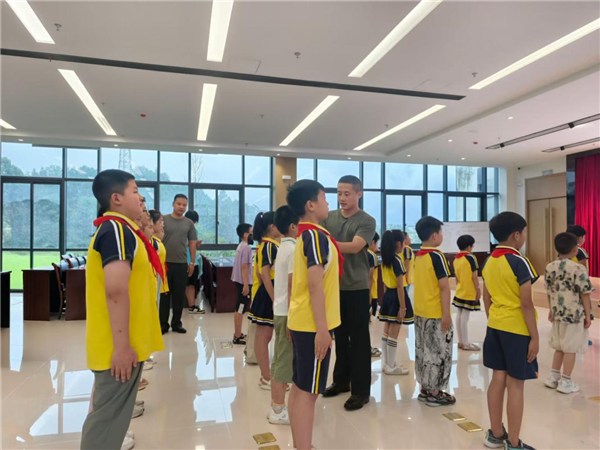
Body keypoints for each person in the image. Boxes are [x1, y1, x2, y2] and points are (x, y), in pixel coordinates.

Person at [81, 170, 164, 450]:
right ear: (116, 198)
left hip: (124, 342)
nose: (140, 197)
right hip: (116, 346)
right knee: (105, 427)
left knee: (109, 423)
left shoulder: (124, 230)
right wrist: (121, 347)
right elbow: (116, 290)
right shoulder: (116, 230)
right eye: (135, 191)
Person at [286, 179, 341, 450]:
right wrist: (322, 329)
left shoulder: (305, 235)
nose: (328, 203)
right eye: (324, 198)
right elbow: (314, 283)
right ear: (310, 205)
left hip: (303, 321)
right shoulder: (316, 236)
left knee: (300, 388)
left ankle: (301, 445)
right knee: (308, 393)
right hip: (313, 325)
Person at [482, 212, 539, 450]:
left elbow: (486, 297)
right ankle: (514, 443)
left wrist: (494, 319)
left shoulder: (490, 260)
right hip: (517, 330)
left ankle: (496, 434)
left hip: (495, 326)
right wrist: (535, 336)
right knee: (516, 384)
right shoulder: (518, 261)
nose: (524, 236)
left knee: (498, 377)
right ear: (516, 235)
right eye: (524, 232)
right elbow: (526, 303)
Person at [322, 175, 376, 412]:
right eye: (339, 193)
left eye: (347, 194)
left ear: (359, 194)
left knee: (359, 340)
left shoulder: (367, 220)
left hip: (356, 287)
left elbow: (355, 247)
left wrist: (325, 243)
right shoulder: (329, 217)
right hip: (334, 286)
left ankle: (361, 391)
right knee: (340, 337)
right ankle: (341, 381)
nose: (342, 198)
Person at [413, 216, 455, 407]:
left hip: (420, 311)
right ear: (434, 236)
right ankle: (434, 393)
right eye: (440, 231)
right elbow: (444, 287)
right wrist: (446, 314)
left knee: (423, 350)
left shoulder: (419, 255)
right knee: (437, 352)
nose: (441, 235)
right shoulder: (437, 256)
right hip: (435, 313)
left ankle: (425, 388)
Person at [544, 232, 592, 394]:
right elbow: (585, 293)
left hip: (557, 313)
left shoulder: (550, 267)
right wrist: (588, 314)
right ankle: (566, 381)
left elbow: (549, 291)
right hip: (574, 314)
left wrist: (551, 309)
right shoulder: (578, 268)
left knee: (559, 346)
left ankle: (553, 377)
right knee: (570, 348)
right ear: (574, 250)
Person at [268, 205, 299, 425]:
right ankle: (277, 409)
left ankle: (277, 405)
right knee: (283, 361)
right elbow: (291, 284)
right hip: (286, 313)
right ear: (293, 226)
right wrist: (292, 318)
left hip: (281, 310)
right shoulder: (293, 249)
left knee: (281, 358)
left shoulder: (283, 247)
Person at [248, 211, 281, 389]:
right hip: (269, 293)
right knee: (264, 336)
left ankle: (267, 375)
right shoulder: (269, 246)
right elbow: (265, 274)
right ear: (272, 227)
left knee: (264, 335)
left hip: (270, 292)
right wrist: (274, 298)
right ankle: (266, 376)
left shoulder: (271, 245)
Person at [160, 194, 197, 334]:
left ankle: (176, 323)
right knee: (164, 295)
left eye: (184, 205)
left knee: (179, 296)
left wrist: (192, 262)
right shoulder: (163, 220)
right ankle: (163, 324)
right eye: (179, 204)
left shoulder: (189, 223)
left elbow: (192, 243)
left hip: (181, 264)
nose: (181, 207)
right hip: (164, 263)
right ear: (173, 204)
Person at [378, 230, 412, 375]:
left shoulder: (385, 260)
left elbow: (385, 283)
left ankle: (387, 363)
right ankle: (391, 365)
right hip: (397, 296)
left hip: (388, 295)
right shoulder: (397, 260)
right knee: (394, 330)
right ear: (398, 244)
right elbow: (400, 286)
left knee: (387, 329)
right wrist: (403, 307)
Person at [452, 234, 481, 351]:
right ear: (469, 246)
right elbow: (474, 276)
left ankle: (461, 341)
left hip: (460, 290)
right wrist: (478, 289)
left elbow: (456, 277)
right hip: (469, 291)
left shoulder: (456, 258)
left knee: (459, 315)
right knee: (465, 317)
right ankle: (466, 343)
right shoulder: (470, 258)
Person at [231, 223, 253, 345]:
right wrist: (246, 285)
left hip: (238, 280)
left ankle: (237, 333)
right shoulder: (247, 248)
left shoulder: (240, 246)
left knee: (238, 308)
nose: (253, 235)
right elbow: (244, 266)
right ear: (245, 234)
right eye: (251, 232)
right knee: (240, 308)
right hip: (243, 282)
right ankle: (237, 336)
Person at [184, 210, 205, 314]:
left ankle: (191, 305)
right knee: (191, 285)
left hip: (189, 260)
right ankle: (192, 306)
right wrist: (194, 243)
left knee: (190, 285)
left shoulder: (187, 229)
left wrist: (196, 244)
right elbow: (185, 243)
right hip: (190, 262)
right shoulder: (188, 230)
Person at [367, 233, 382, 357]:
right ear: (372, 242)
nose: (376, 246)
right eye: (376, 243)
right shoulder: (371, 255)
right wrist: (369, 296)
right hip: (371, 293)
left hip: (359, 292)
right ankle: (368, 348)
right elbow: (370, 277)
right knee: (368, 323)